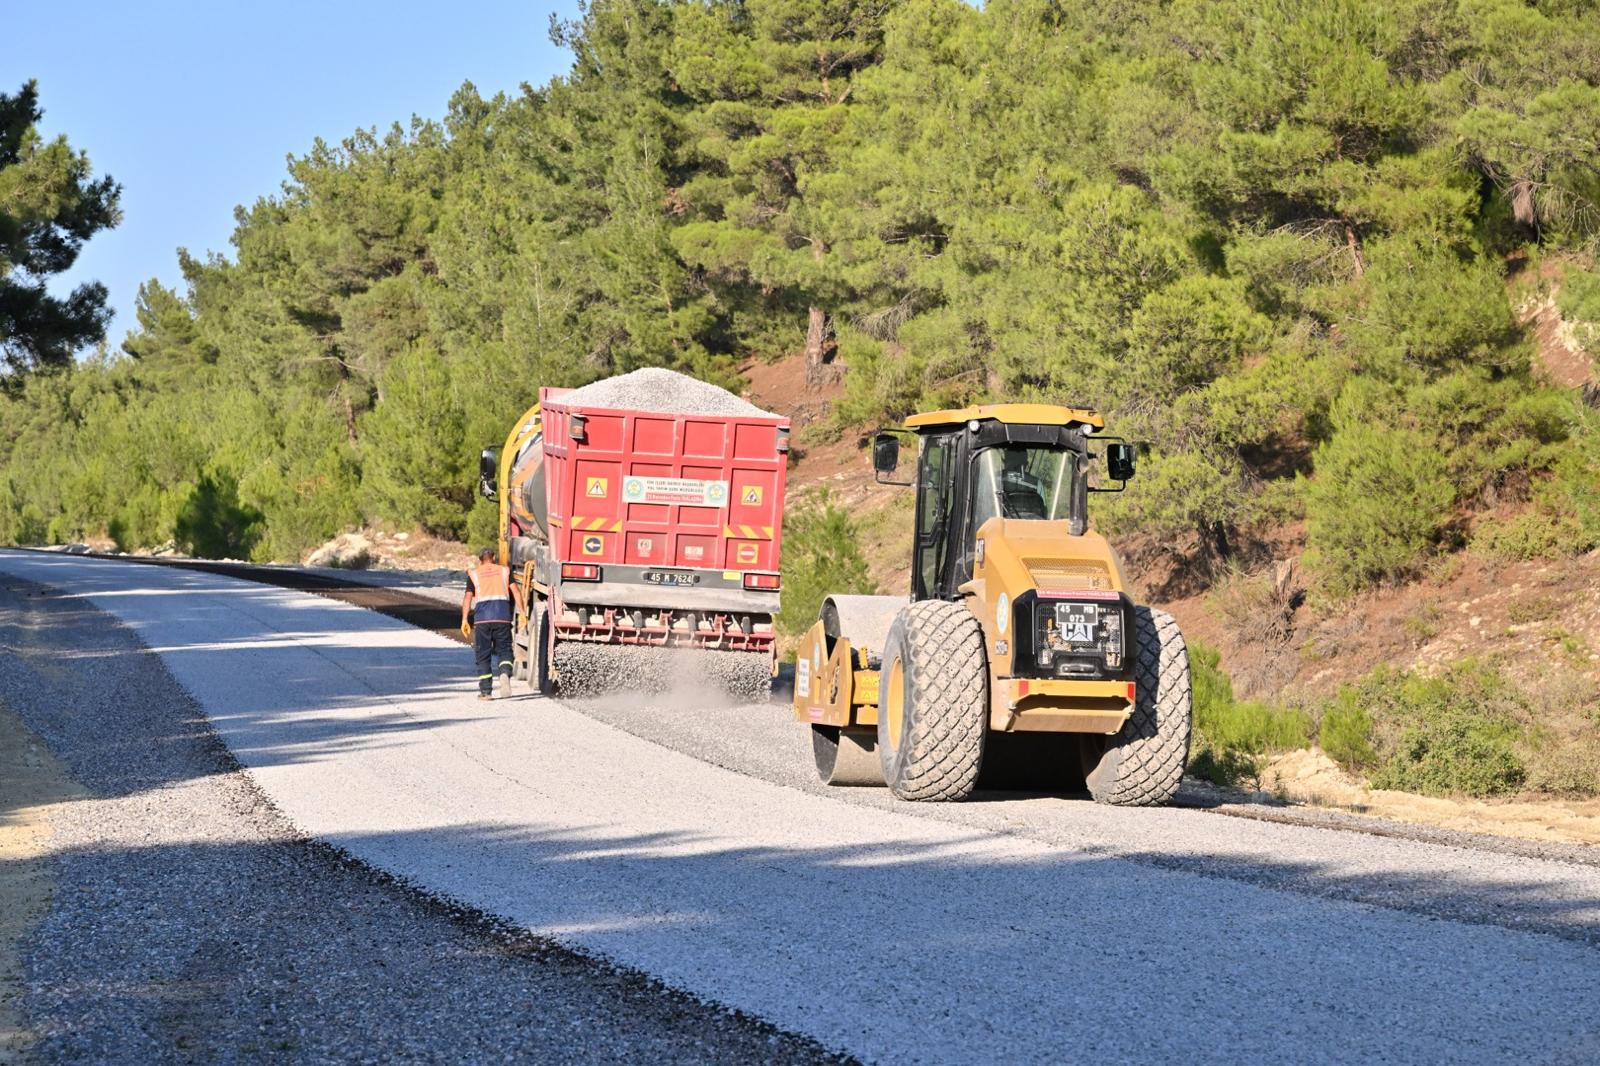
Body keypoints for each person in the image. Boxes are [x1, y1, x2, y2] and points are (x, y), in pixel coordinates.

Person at [461, 548, 525, 699]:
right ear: (494, 557)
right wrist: (522, 612)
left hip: (482, 620)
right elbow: (516, 591)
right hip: (502, 617)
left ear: (480, 560)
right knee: (505, 651)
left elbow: (468, 598)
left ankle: (486, 692)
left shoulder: (474, 574)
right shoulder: (504, 571)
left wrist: (464, 618)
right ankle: (504, 674)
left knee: (483, 655)